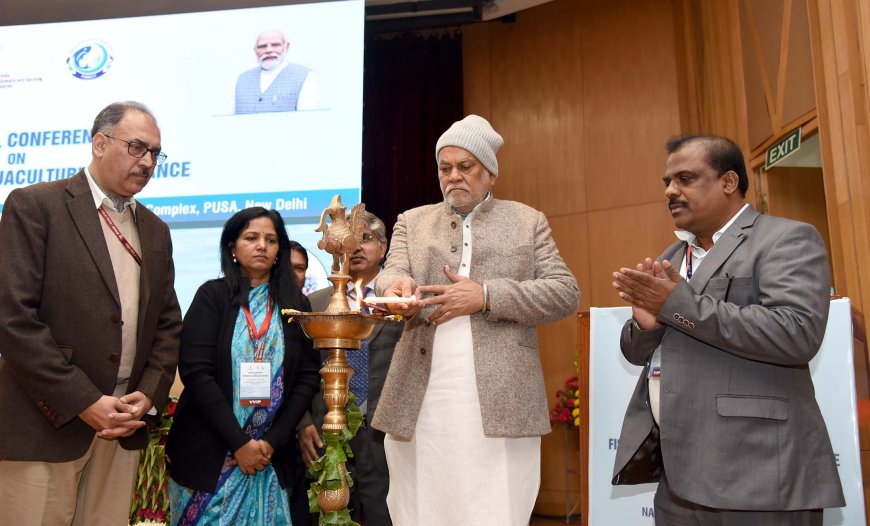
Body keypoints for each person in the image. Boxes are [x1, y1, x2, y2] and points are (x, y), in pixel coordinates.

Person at [610, 135, 845, 525]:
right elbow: (638, 353)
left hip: (759, 473)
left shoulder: (785, 239)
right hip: (680, 476)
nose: (671, 191)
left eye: (685, 178)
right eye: (667, 182)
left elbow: (797, 333)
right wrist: (646, 326)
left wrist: (676, 305)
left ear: (729, 182)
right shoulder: (672, 256)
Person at [373, 115, 580, 525]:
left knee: (495, 506)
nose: (453, 176)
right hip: (422, 393)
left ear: (489, 173)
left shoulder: (527, 220)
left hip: (502, 399)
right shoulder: (411, 222)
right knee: (421, 504)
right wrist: (396, 288)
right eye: (444, 168)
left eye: (465, 167)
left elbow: (565, 292)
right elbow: (388, 273)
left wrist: (486, 295)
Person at [0, 101, 183, 525]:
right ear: (99, 143)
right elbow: (13, 319)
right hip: (43, 427)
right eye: (137, 147)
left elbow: (168, 324)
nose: (148, 161)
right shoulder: (36, 205)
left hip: (121, 426)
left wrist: (149, 394)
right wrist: (84, 400)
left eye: (156, 152)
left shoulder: (156, 230)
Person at [165, 207, 320, 525]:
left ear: (280, 250)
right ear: (232, 248)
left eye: (271, 239)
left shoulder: (295, 306)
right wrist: (239, 443)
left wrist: (269, 443)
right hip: (208, 452)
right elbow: (196, 372)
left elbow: (306, 376)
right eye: (251, 238)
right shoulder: (213, 295)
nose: (262, 245)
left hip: (270, 455)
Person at [294, 210, 403, 526]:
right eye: (350, 238)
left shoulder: (400, 300)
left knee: (387, 517)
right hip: (324, 434)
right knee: (330, 517)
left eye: (366, 238)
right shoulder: (314, 303)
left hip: (387, 435)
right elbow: (300, 370)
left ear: (383, 249)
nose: (356, 246)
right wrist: (302, 423)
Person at [235, 29, 319, 114]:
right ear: (255, 50)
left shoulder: (305, 76)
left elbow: (307, 120)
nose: (268, 50)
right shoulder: (240, 80)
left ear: (287, 47)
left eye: (275, 45)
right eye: (262, 46)